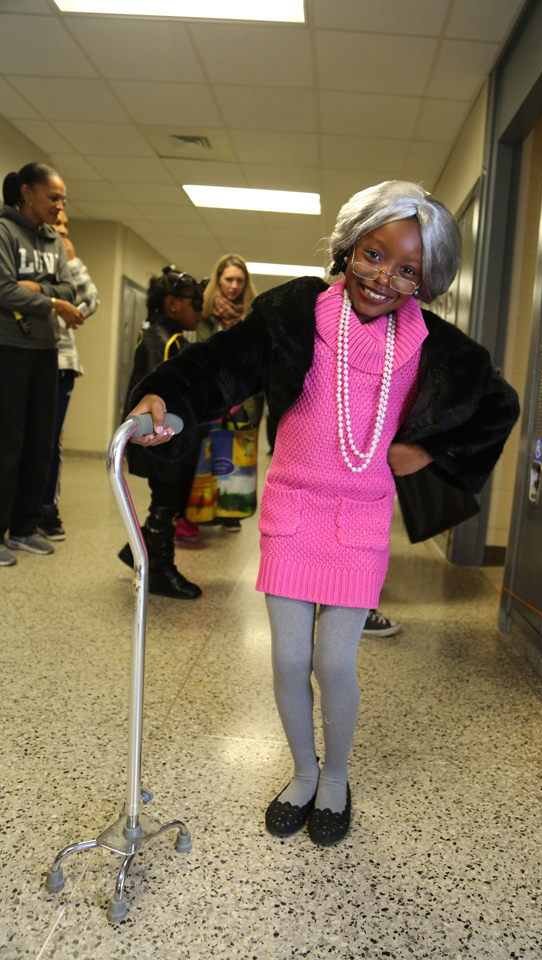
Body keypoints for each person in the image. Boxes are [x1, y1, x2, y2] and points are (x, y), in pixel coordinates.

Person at [126, 181, 520, 845]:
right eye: (372, 254)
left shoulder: (434, 345)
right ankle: (303, 774)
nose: (383, 278)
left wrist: (423, 449)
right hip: (292, 511)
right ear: (350, 244)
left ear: (427, 282)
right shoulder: (295, 312)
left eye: (407, 270)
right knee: (286, 662)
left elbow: (497, 406)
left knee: (334, 664)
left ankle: (335, 776)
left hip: (361, 521)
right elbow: (215, 367)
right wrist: (160, 397)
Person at [0, 163, 84, 567]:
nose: (59, 206)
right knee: (8, 442)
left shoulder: (52, 239)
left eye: (62, 198)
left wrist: (35, 289)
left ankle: (24, 528)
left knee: (40, 442)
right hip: (9, 347)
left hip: (45, 351)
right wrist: (52, 302)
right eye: (53, 197)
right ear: (26, 192)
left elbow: (70, 287)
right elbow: (2, 289)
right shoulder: (4, 231)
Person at [117, 267, 204, 599]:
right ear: (171, 305)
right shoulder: (163, 340)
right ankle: (161, 570)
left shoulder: (162, 333)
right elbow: (160, 392)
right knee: (167, 499)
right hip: (160, 439)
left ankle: (137, 547)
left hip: (164, 438)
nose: (199, 309)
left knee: (169, 499)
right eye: (194, 302)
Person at [175, 254, 260, 539]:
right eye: (228, 279)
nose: (234, 286)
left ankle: (228, 511)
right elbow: (200, 356)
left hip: (241, 399)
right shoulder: (205, 315)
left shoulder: (252, 318)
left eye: (239, 280)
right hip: (208, 398)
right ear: (218, 280)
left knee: (233, 459)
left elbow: (255, 362)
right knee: (203, 458)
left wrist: (238, 395)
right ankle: (196, 513)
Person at [38, 210, 100, 541]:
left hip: (61, 361)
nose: (63, 233)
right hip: (24, 354)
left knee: (50, 441)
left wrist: (72, 264)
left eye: (66, 228)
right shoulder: (32, 256)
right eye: (56, 227)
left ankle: (46, 507)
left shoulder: (71, 265)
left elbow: (90, 302)